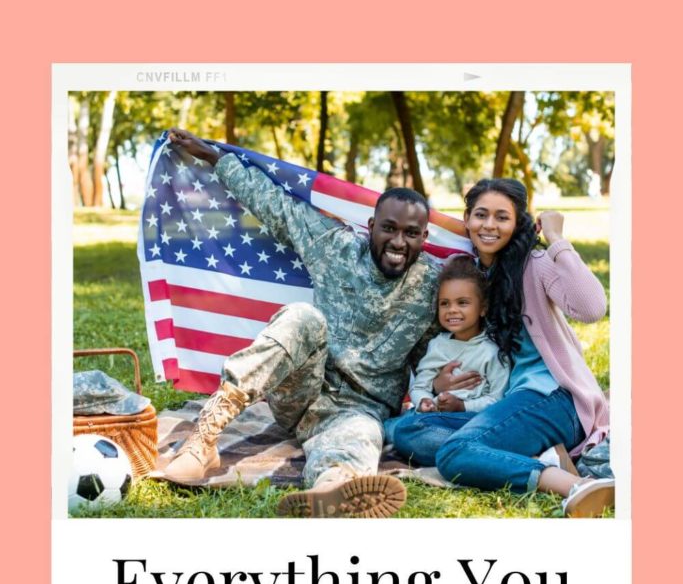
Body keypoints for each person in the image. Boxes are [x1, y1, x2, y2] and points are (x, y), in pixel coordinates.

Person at [163, 129, 480, 518]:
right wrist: (214, 157)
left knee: (360, 440)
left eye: (411, 233)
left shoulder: (435, 287)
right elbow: (276, 206)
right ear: (371, 226)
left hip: (360, 409)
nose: (399, 241)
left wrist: (437, 384)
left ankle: (334, 489)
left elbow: (438, 351)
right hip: (300, 390)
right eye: (389, 228)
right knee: (303, 317)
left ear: (424, 237)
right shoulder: (336, 247)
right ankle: (205, 438)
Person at [387, 178, 614, 517]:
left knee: (455, 454)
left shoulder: (533, 263)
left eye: (502, 217)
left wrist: (556, 238)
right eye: (481, 215)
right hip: (505, 400)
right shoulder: (472, 275)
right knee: (407, 429)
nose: (489, 225)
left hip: (552, 398)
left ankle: (575, 485)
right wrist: (437, 386)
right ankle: (541, 457)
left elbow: (592, 307)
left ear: (517, 222)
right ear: (466, 219)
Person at [409, 256, 509, 415]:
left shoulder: (491, 352)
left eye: (462, 302)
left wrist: (462, 406)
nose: (452, 310)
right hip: (433, 415)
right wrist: (424, 401)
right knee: (399, 428)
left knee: (407, 431)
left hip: (470, 419)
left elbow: (498, 399)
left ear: (483, 308)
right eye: (445, 303)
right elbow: (420, 386)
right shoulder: (437, 345)